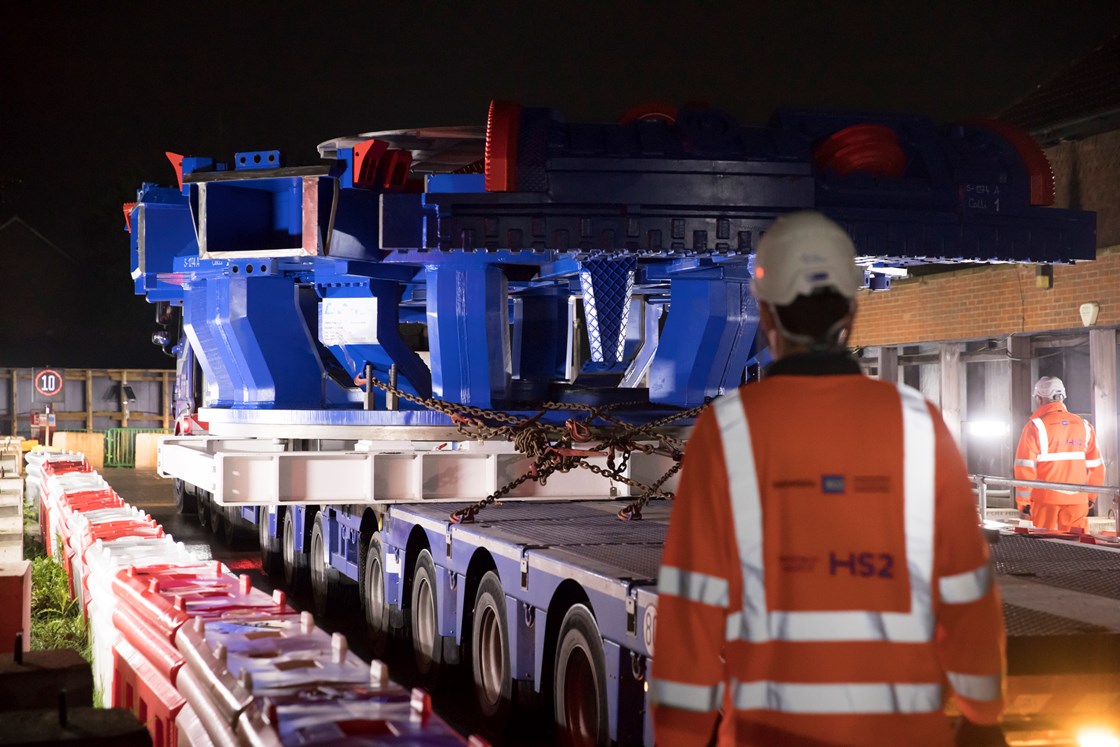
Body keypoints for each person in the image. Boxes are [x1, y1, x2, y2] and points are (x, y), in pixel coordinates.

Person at [650, 211, 1006, 746]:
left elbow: (691, 612)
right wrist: (983, 712)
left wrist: (680, 736)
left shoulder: (726, 431)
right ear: (853, 312)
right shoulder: (918, 426)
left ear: (766, 315)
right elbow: (964, 588)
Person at [1013, 376, 1105, 532]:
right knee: (1077, 546)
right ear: (1062, 397)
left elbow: (1024, 468)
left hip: (1045, 501)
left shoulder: (1034, 426)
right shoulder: (1085, 426)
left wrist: (1023, 502)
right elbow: (1097, 467)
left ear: (1039, 398)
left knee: (1044, 546)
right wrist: (1091, 496)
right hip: (1077, 499)